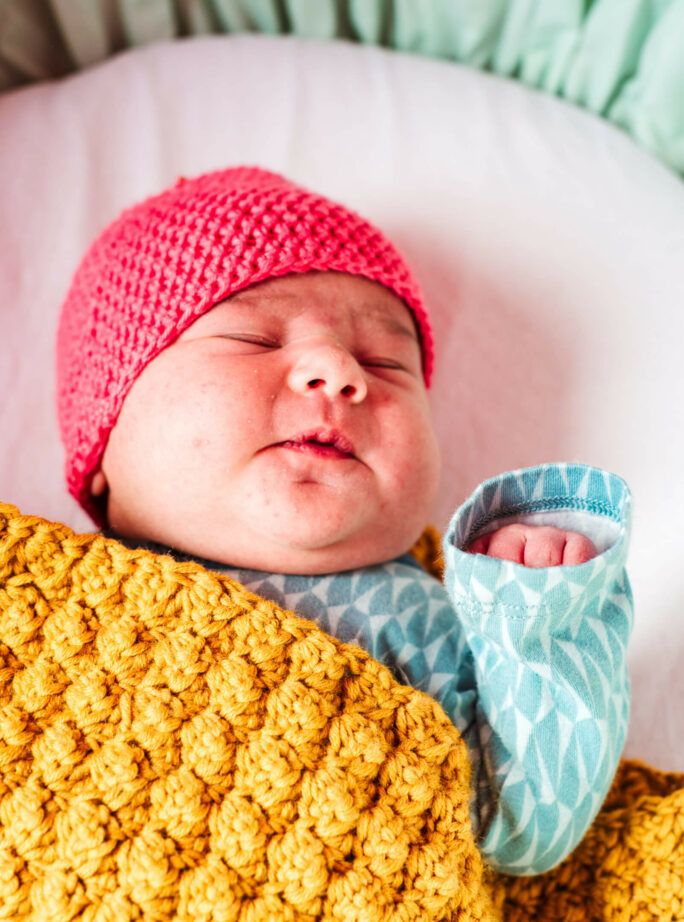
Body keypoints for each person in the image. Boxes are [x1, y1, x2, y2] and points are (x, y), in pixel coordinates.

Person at [56, 166, 632, 875]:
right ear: (104, 438)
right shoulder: (45, 598)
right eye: (253, 340)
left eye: (385, 363)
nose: (337, 371)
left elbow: (525, 828)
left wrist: (535, 623)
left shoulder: (423, 614)